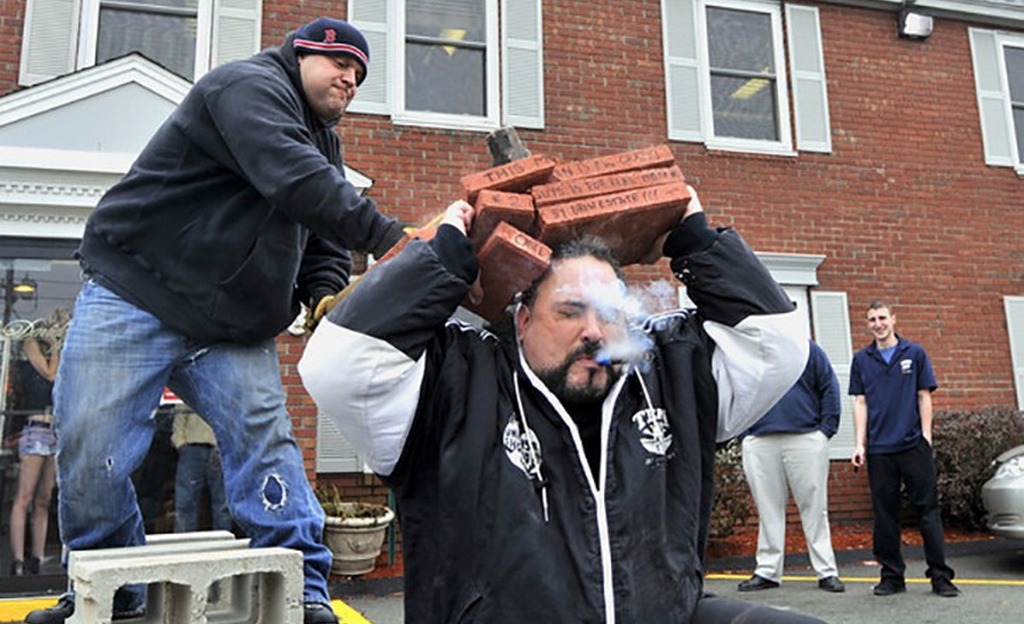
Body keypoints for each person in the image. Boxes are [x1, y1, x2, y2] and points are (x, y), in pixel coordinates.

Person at [24, 16, 406, 624]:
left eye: (359, 75)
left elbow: (325, 238)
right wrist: (391, 239)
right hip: (137, 290)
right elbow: (291, 174)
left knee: (265, 442)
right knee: (91, 442)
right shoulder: (245, 89)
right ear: (300, 55)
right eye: (339, 64)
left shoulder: (324, 144)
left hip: (230, 326)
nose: (349, 80)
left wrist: (324, 292)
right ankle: (109, 588)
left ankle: (301, 587)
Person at [300, 193, 829, 623]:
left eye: (608, 313)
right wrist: (442, 261)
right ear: (523, 321)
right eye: (570, 312)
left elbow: (778, 344)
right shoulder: (456, 383)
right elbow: (338, 364)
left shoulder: (667, 375)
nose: (594, 331)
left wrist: (695, 239)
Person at [849, 300, 959, 598]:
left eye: (882, 317)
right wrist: (860, 443)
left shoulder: (915, 353)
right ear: (868, 324)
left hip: (913, 446)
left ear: (893, 320)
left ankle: (940, 576)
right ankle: (892, 576)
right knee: (885, 515)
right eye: (871, 319)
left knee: (928, 512)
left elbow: (924, 396)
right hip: (879, 451)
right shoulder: (862, 360)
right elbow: (860, 402)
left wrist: (925, 436)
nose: (877, 324)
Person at [737, 339, 845, 594]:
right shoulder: (751, 351)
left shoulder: (809, 350)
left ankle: (827, 571)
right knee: (767, 508)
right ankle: (767, 571)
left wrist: (825, 430)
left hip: (806, 437)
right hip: (760, 439)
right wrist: (744, 433)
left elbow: (829, 386)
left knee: (815, 508)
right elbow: (739, 391)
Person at [8, 309, 69, 576]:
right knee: (25, 495)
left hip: (54, 428)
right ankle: (19, 559)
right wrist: (57, 345)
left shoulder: (58, 351)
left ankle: (37, 555)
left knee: (44, 498)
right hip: (34, 428)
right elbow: (49, 373)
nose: (54, 327)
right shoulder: (30, 344)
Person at [171, 405, 232, 533]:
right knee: (185, 502)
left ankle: (222, 545)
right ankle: (183, 545)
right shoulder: (190, 386)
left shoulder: (224, 389)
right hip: (192, 448)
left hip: (219, 448)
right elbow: (180, 415)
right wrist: (181, 444)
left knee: (222, 504)